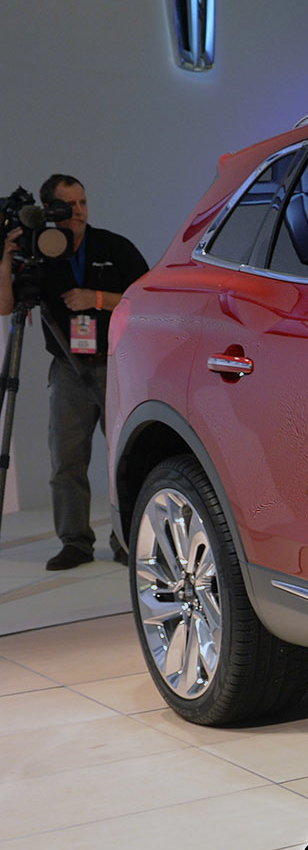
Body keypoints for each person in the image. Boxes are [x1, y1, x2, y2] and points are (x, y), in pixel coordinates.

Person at [0, 175, 149, 570]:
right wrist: (5, 259)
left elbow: (144, 300)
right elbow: (4, 307)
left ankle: (128, 540)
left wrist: (96, 298)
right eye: (69, 205)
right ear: (49, 210)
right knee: (66, 459)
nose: (79, 211)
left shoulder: (114, 247)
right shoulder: (39, 252)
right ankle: (75, 542)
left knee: (125, 457)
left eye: (83, 202)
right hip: (68, 368)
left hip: (118, 365)